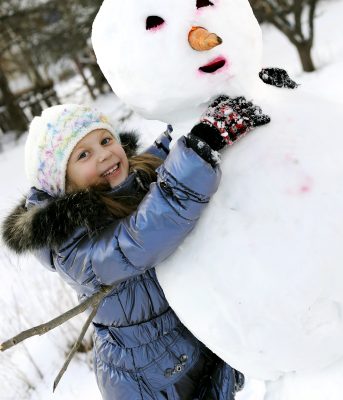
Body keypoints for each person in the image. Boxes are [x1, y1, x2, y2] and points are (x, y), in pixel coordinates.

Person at [2, 97, 269, 399]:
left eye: (105, 139)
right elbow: (142, 236)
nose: (104, 154)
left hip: (184, 345)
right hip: (144, 380)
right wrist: (198, 149)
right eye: (84, 154)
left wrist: (198, 112)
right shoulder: (72, 250)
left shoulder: (129, 181)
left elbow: (165, 154)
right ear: (64, 185)